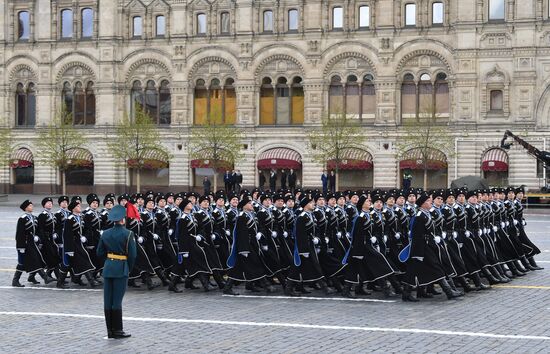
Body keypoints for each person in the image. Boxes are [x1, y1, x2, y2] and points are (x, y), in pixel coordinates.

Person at [97, 205, 137, 339]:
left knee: (107, 301)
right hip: (121, 268)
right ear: (122, 220)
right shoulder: (128, 233)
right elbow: (132, 256)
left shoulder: (105, 233)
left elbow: (99, 252)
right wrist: (128, 268)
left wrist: (109, 262)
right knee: (117, 301)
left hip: (108, 268)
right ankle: (118, 330)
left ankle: (110, 330)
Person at [13, 200, 53, 287]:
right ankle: (45, 277)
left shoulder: (34, 218)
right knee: (32, 260)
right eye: (30, 205)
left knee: (30, 260)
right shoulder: (22, 219)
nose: (32, 206)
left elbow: (38, 230)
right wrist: (21, 247)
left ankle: (20, 279)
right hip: (26, 243)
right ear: (26, 208)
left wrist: (38, 239)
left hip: (33, 243)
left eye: (32, 205)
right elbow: (20, 234)